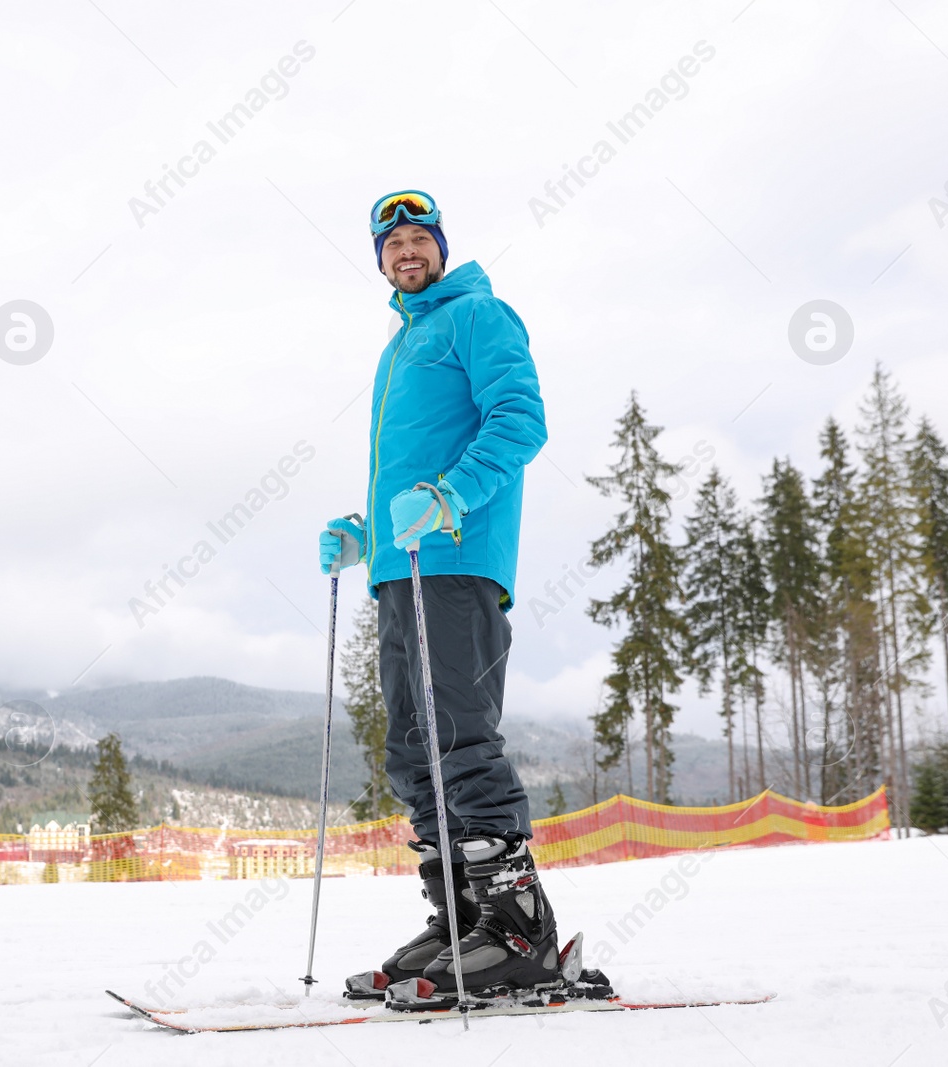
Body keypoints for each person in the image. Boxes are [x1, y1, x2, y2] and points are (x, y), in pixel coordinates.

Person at [319, 190, 556, 998]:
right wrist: (367, 536)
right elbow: (409, 463)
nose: (406, 252)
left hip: (457, 559)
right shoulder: (400, 345)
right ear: (380, 260)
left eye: (420, 238)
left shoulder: (478, 316)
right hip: (401, 566)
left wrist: (452, 496)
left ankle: (520, 927)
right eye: (392, 245)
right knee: (412, 748)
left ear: (442, 249)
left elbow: (520, 421)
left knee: (458, 734)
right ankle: (464, 916)